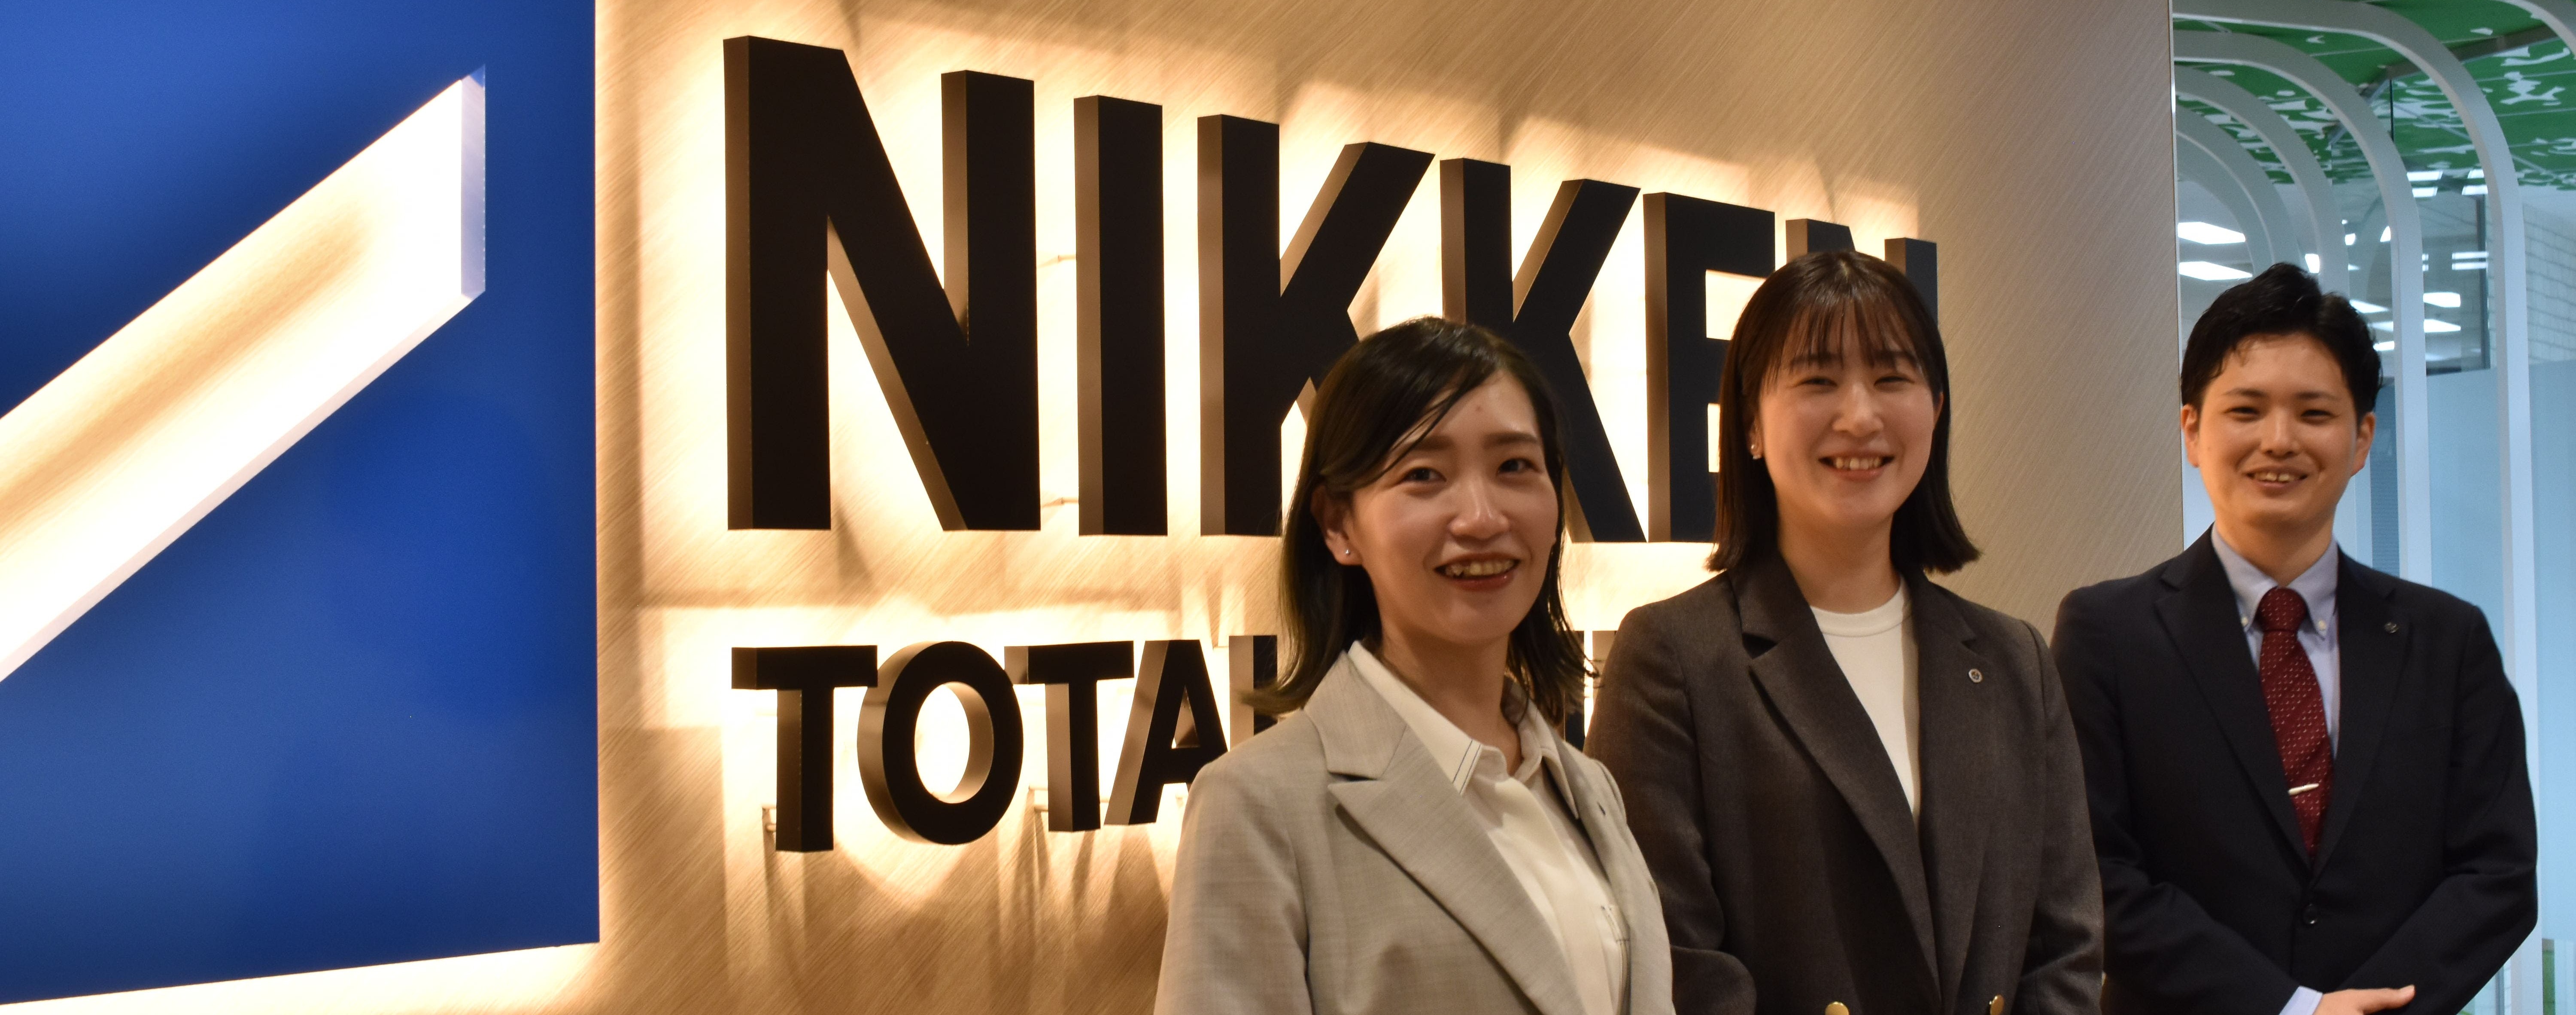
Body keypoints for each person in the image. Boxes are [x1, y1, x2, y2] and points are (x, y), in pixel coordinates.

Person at [1587, 249, 2101, 1015]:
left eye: (1892, 378)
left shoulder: (2013, 659)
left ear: (1935, 410)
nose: (1860, 416)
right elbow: (1676, 961)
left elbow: (2066, 948)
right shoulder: (1675, 657)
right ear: (1751, 423)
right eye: (1818, 380)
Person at [2054, 263, 2537, 1015]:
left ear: (2362, 438)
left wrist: (2367, 1008)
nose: (2278, 441)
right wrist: (2293, 1009)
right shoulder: (2107, 634)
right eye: (2246, 411)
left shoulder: (2449, 642)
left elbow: (2497, 874)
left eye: (2314, 413)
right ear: (2192, 431)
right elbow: (2095, 873)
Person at [1155, 317, 1674, 1015]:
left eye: (1515, 467)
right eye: (1424, 475)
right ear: (1339, 525)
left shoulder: (1589, 787)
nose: (1482, 518)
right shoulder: (1256, 806)